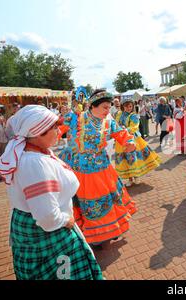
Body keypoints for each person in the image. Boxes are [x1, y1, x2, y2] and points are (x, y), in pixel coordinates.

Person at [0, 105, 103, 280]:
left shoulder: (34, 154)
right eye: (54, 127)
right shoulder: (35, 163)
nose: (59, 131)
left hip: (38, 230)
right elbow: (47, 218)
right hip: (49, 232)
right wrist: (67, 219)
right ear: (38, 132)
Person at [58, 89, 138, 247]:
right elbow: (56, 129)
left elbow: (121, 133)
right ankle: (92, 234)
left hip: (101, 168)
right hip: (78, 168)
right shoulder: (76, 117)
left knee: (105, 200)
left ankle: (106, 232)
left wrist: (129, 142)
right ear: (93, 106)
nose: (108, 111)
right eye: (105, 107)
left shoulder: (108, 121)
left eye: (109, 107)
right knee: (84, 202)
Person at [114, 98, 161, 187]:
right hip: (121, 140)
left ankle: (136, 177)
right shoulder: (118, 114)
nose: (129, 108)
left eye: (130, 106)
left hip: (131, 139)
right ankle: (130, 179)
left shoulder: (134, 116)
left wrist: (125, 129)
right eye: (126, 106)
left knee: (132, 158)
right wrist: (118, 129)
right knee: (125, 160)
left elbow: (134, 127)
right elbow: (115, 124)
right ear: (123, 106)